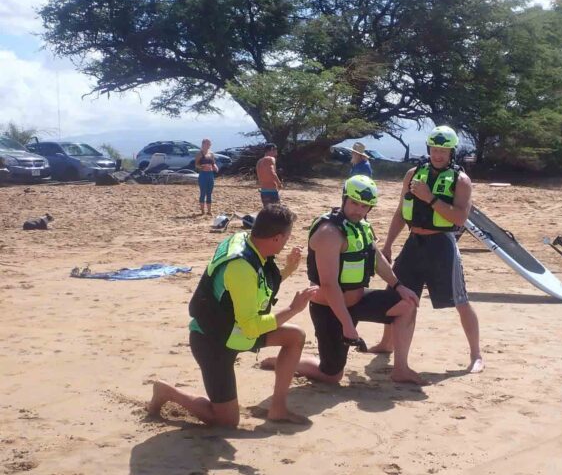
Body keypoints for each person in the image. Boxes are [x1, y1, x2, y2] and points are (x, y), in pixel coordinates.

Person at [147, 204, 318, 427]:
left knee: (295, 336)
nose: (286, 242)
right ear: (276, 238)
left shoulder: (248, 242)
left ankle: (278, 408)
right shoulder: (241, 266)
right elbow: (251, 327)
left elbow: (254, 290)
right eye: (286, 238)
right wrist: (293, 309)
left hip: (234, 331)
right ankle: (167, 391)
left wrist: (287, 270)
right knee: (226, 421)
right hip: (213, 341)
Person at [261, 175, 423, 385]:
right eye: (354, 203)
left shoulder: (361, 226)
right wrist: (347, 325)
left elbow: (376, 257)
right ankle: (288, 362)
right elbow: (328, 284)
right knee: (331, 375)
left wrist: (398, 286)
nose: (358, 210)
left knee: (407, 304)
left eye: (364, 206)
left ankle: (401, 369)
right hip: (330, 309)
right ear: (344, 199)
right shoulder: (329, 233)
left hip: (357, 301)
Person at [369, 125, 484, 374]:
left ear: (451, 151)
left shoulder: (461, 181)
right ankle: (386, 343)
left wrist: (430, 197)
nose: (438, 154)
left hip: (442, 245)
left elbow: (460, 218)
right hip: (413, 243)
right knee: (397, 294)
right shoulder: (413, 174)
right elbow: (401, 212)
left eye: (443, 150)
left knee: (460, 300)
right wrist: (388, 244)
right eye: (434, 149)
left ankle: (476, 355)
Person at [195, 138, 218, 215]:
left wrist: (215, 167)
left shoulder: (211, 154)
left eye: (209, 144)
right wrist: (201, 167)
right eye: (207, 144)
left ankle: (209, 211)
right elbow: (196, 165)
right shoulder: (199, 154)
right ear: (203, 144)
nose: (209, 145)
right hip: (203, 174)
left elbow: (213, 163)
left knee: (209, 192)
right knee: (203, 192)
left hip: (210, 174)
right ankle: (202, 211)